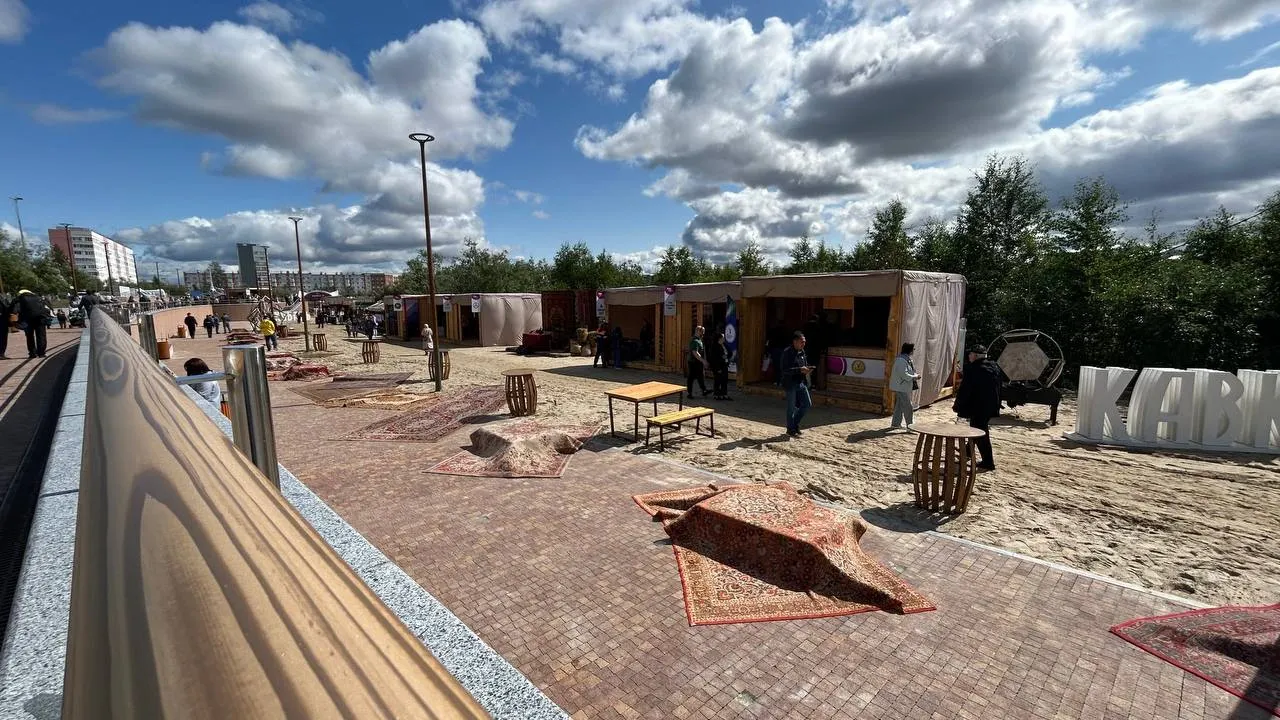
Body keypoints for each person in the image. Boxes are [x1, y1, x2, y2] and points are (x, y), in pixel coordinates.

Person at [953, 345, 1004, 471]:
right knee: (977, 428)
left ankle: (988, 462)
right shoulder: (994, 366)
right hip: (991, 405)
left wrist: (957, 406)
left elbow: (965, 390)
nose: (969, 356)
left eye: (970, 354)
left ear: (975, 356)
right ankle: (967, 452)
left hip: (978, 407)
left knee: (980, 433)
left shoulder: (973, 369)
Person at [780, 331, 813, 437]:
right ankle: (790, 429)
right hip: (790, 383)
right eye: (801, 342)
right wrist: (799, 370)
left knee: (807, 404)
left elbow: (804, 365)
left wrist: (807, 369)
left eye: (804, 342)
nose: (804, 344)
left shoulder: (802, 352)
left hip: (801, 382)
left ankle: (794, 424)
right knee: (791, 408)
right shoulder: (787, 352)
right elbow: (785, 369)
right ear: (795, 342)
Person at [889, 342, 922, 430]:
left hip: (902, 387)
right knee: (908, 407)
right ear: (910, 350)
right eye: (913, 349)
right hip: (901, 387)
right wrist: (915, 377)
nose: (914, 350)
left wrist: (914, 375)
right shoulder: (901, 360)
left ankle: (895, 424)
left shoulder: (906, 359)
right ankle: (910, 426)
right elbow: (903, 374)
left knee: (899, 406)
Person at [14, 290, 50, 358]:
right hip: (40, 319)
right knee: (41, 336)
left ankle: (32, 353)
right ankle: (41, 353)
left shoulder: (20, 299)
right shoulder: (37, 298)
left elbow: (15, 310)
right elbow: (45, 307)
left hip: (27, 320)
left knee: (29, 337)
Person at [686, 325, 709, 399]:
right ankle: (689, 393)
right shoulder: (695, 341)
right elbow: (695, 352)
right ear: (698, 331)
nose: (703, 333)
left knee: (700, 376)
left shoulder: (699, 340)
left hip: (698, 362)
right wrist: (703, 361)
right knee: (691, 377)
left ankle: (704, 390)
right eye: (702, 332)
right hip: (693, 362)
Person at [708, 331, 732, 401]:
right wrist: (717, 368)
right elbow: (713, 358)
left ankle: (724, 394)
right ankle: (717, 394)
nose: (724, 339)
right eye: (723, 337)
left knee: (724, 380)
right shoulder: (714, 346)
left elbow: (730, 352)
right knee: (718, 380)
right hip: (718, 365)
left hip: (725, 364)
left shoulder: (724, 345)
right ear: (719, 338)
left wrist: (726, 356)